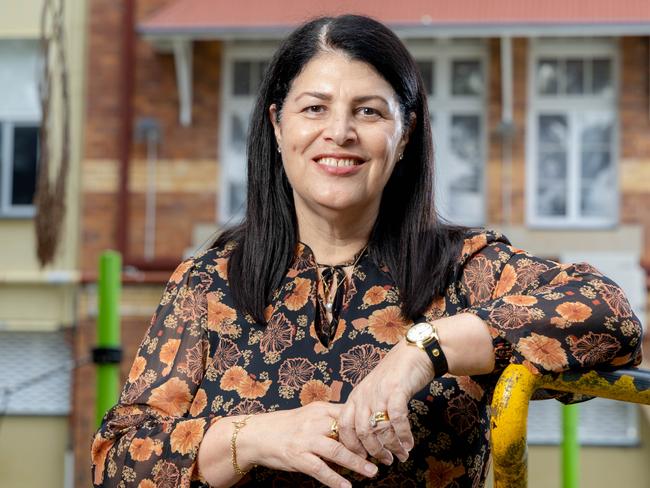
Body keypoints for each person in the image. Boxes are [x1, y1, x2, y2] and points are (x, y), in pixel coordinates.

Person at [91, 15, 643, 488]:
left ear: (404, 137)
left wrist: (421, 350)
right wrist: (252, 437)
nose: (340, 132)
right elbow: (118, 462)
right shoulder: (209, 281)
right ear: (276, 125)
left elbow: (611, 317)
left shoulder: (462, 270)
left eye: (369, 112)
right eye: (314, 108)